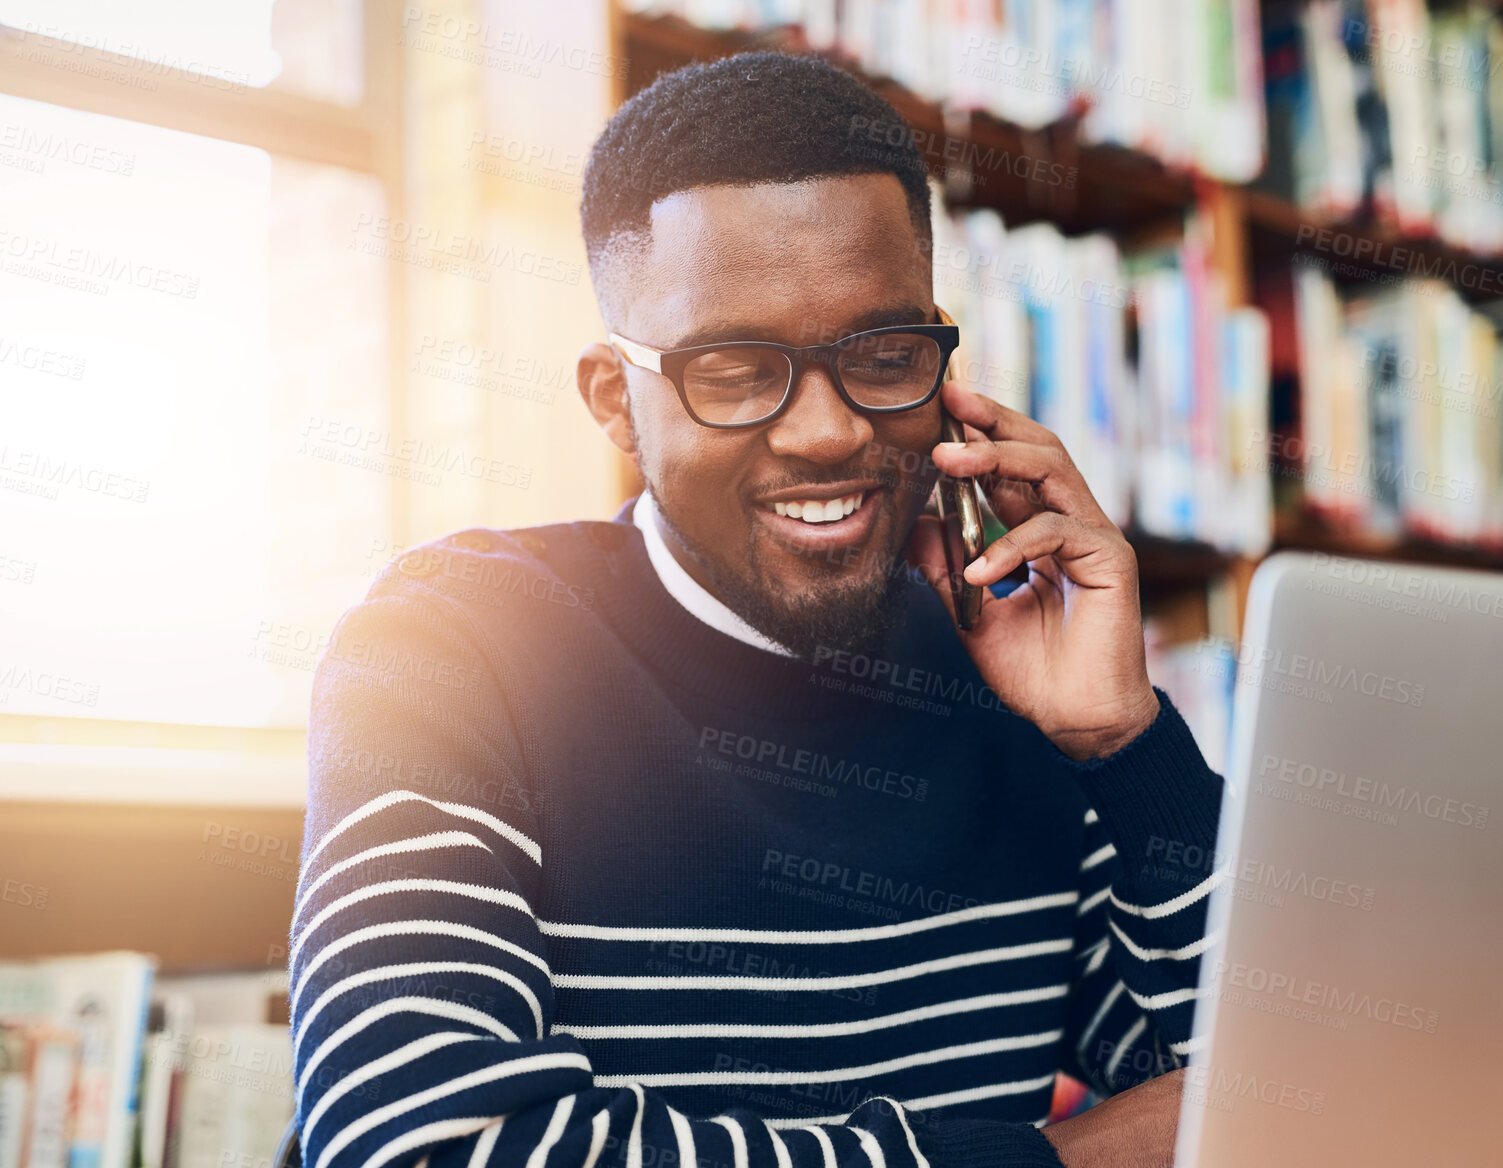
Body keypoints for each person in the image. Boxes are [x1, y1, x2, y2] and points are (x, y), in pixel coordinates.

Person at [288, 50, 1224, 1168]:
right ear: (616, 402)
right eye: (732, 370)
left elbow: (1276, 1080)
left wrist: (1124, 745)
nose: (826, 431)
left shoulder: (1001, 663)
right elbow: (427, 1147)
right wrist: (1058, 1159)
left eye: (882, 356)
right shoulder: (448, 643)